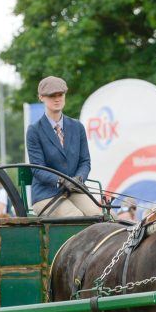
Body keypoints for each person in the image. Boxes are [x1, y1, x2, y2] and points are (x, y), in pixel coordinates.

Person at [26, 76, 100, 217]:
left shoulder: (77, 127)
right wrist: (60, 180)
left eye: (60, 95)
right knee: (76, 217)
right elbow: (37, 168)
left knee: (97, 215)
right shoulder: (34, 131)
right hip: (46, 194)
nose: (57, 99)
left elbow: (85, 162)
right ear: (41, 97)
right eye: (51, 96)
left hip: (74, 190)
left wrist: (79, 178)